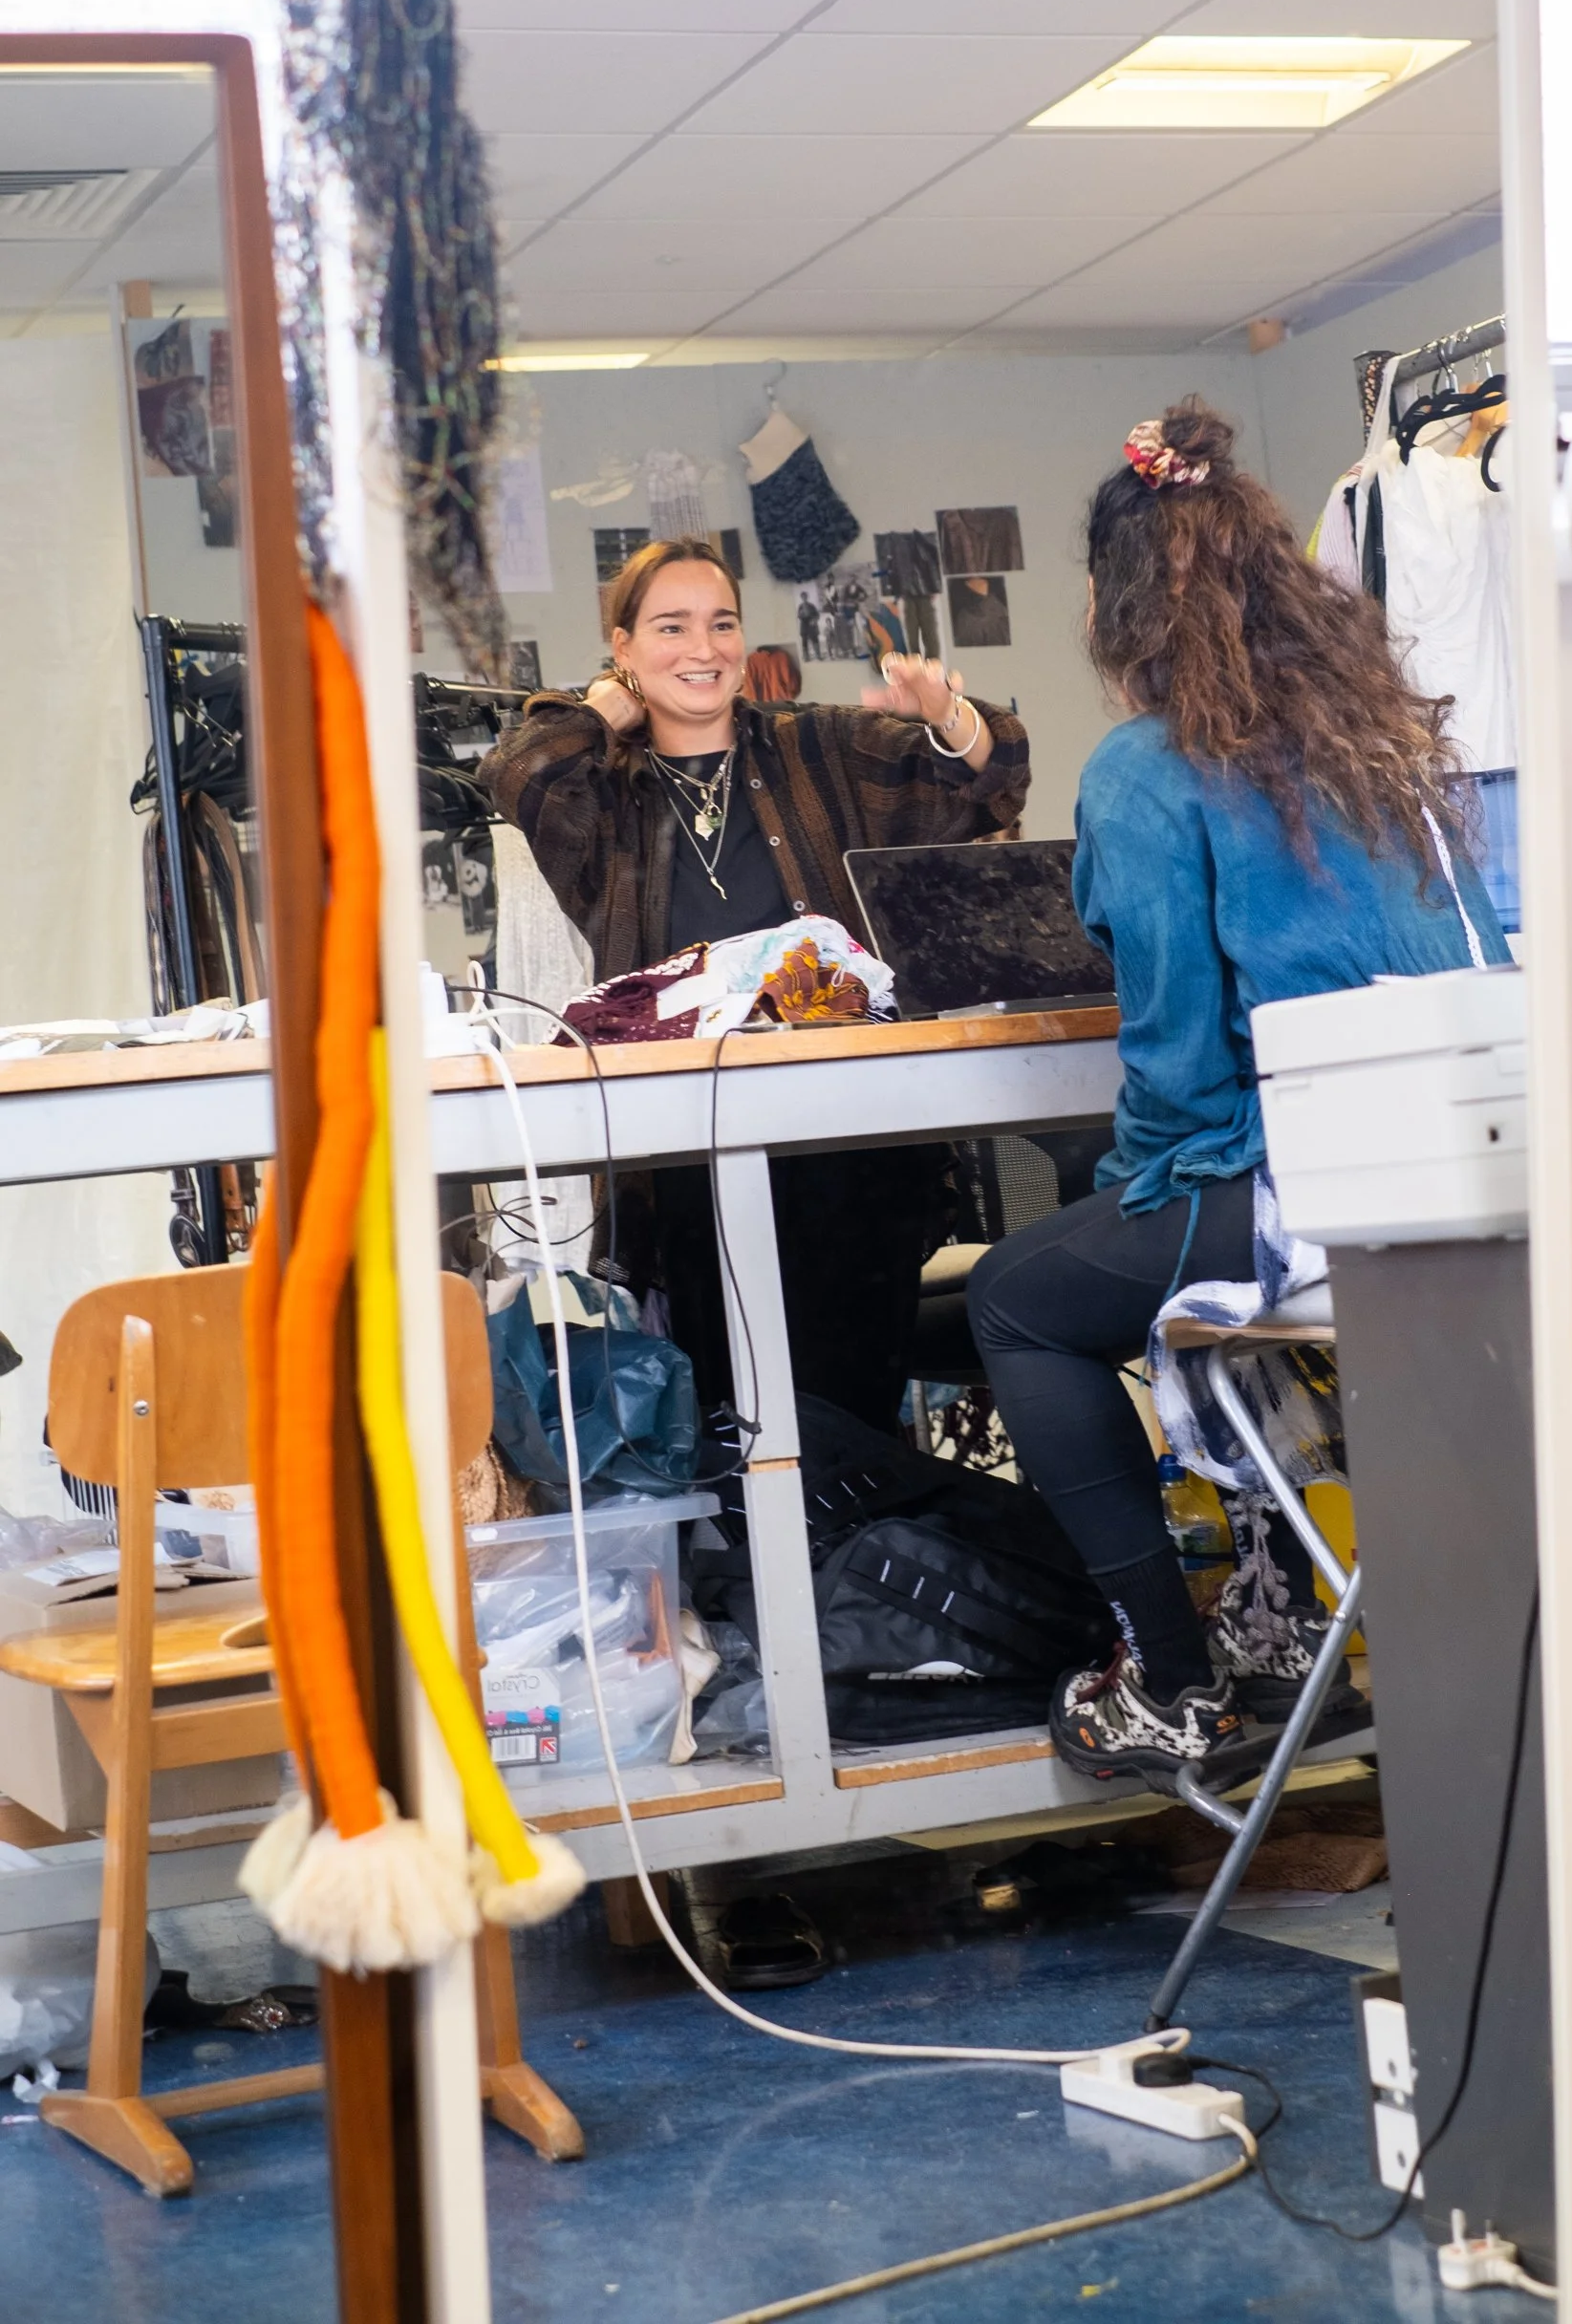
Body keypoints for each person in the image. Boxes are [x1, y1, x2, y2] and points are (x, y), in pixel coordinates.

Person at [967, 400, 1511, 1790]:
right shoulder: (1381, 740)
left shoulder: (1145, 769)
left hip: (1309, 1193)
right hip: (1464, 1182)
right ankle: (1279, 1621)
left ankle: (1171, 1681)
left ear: (1118, 605)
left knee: (1016, 1298)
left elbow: (1176, 1056)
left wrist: (1135, 1189)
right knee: (1136, 1251)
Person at [484, 536, 1028, 1431]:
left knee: (852, 1416)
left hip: (851, 1147)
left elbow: (992, 774)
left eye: (722, 624)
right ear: (622, 645)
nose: (704, 649)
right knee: (732, 1418)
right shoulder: (600, 800)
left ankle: (857, 1520)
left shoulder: (817, 747)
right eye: (671, 627)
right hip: (687, 1155)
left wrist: (949, 714)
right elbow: (519, 772)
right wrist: (611, 702)